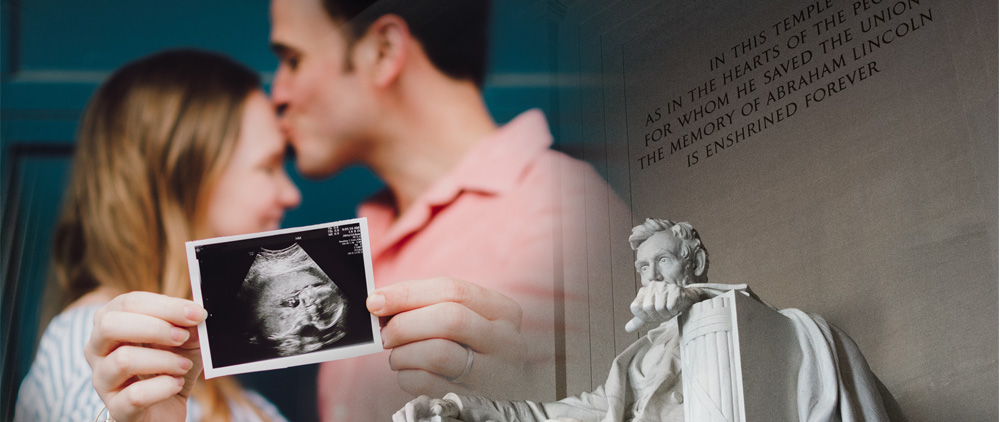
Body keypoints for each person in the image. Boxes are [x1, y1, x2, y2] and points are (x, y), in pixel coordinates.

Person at [267, 0, 619, 419]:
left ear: (383, 49)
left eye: (293, 59)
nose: (278, 95)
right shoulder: (360, 241)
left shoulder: (570, 218)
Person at [13, 49, 302, 422]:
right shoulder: (95, 352)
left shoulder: (212, 379)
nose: (291, 194)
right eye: (268, 166)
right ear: (184, 180)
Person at [393, 218, 898, 422]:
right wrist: (466, 408)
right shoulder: (634, 368)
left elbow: (766, 340)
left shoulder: (773, 329)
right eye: (642, 267)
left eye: (663, 262)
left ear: (694, 263)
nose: (650, 275)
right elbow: (552, 416)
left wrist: (693, 302)